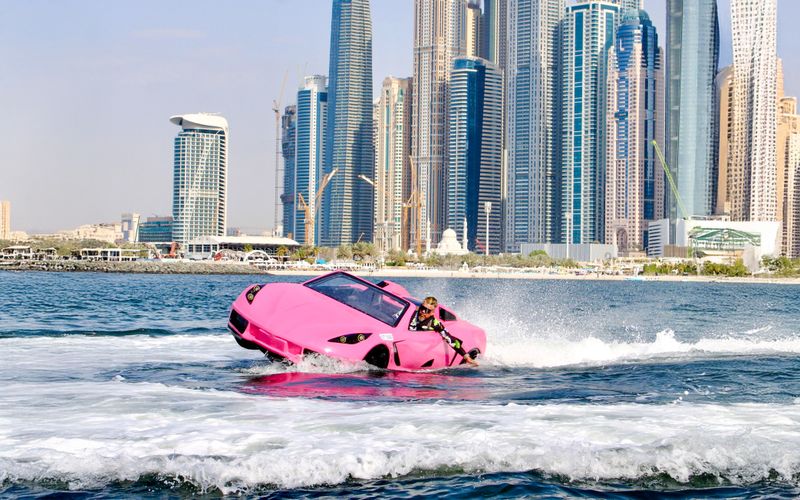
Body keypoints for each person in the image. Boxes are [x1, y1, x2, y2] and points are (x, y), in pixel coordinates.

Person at [409, 296, 479, 366]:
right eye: (422, 307)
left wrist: (466, 357)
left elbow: (449, 338)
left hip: (418, 348)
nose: (422, 312)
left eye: (427, 310)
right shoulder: (412, 312)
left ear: (432, 312)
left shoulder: (435, 324)